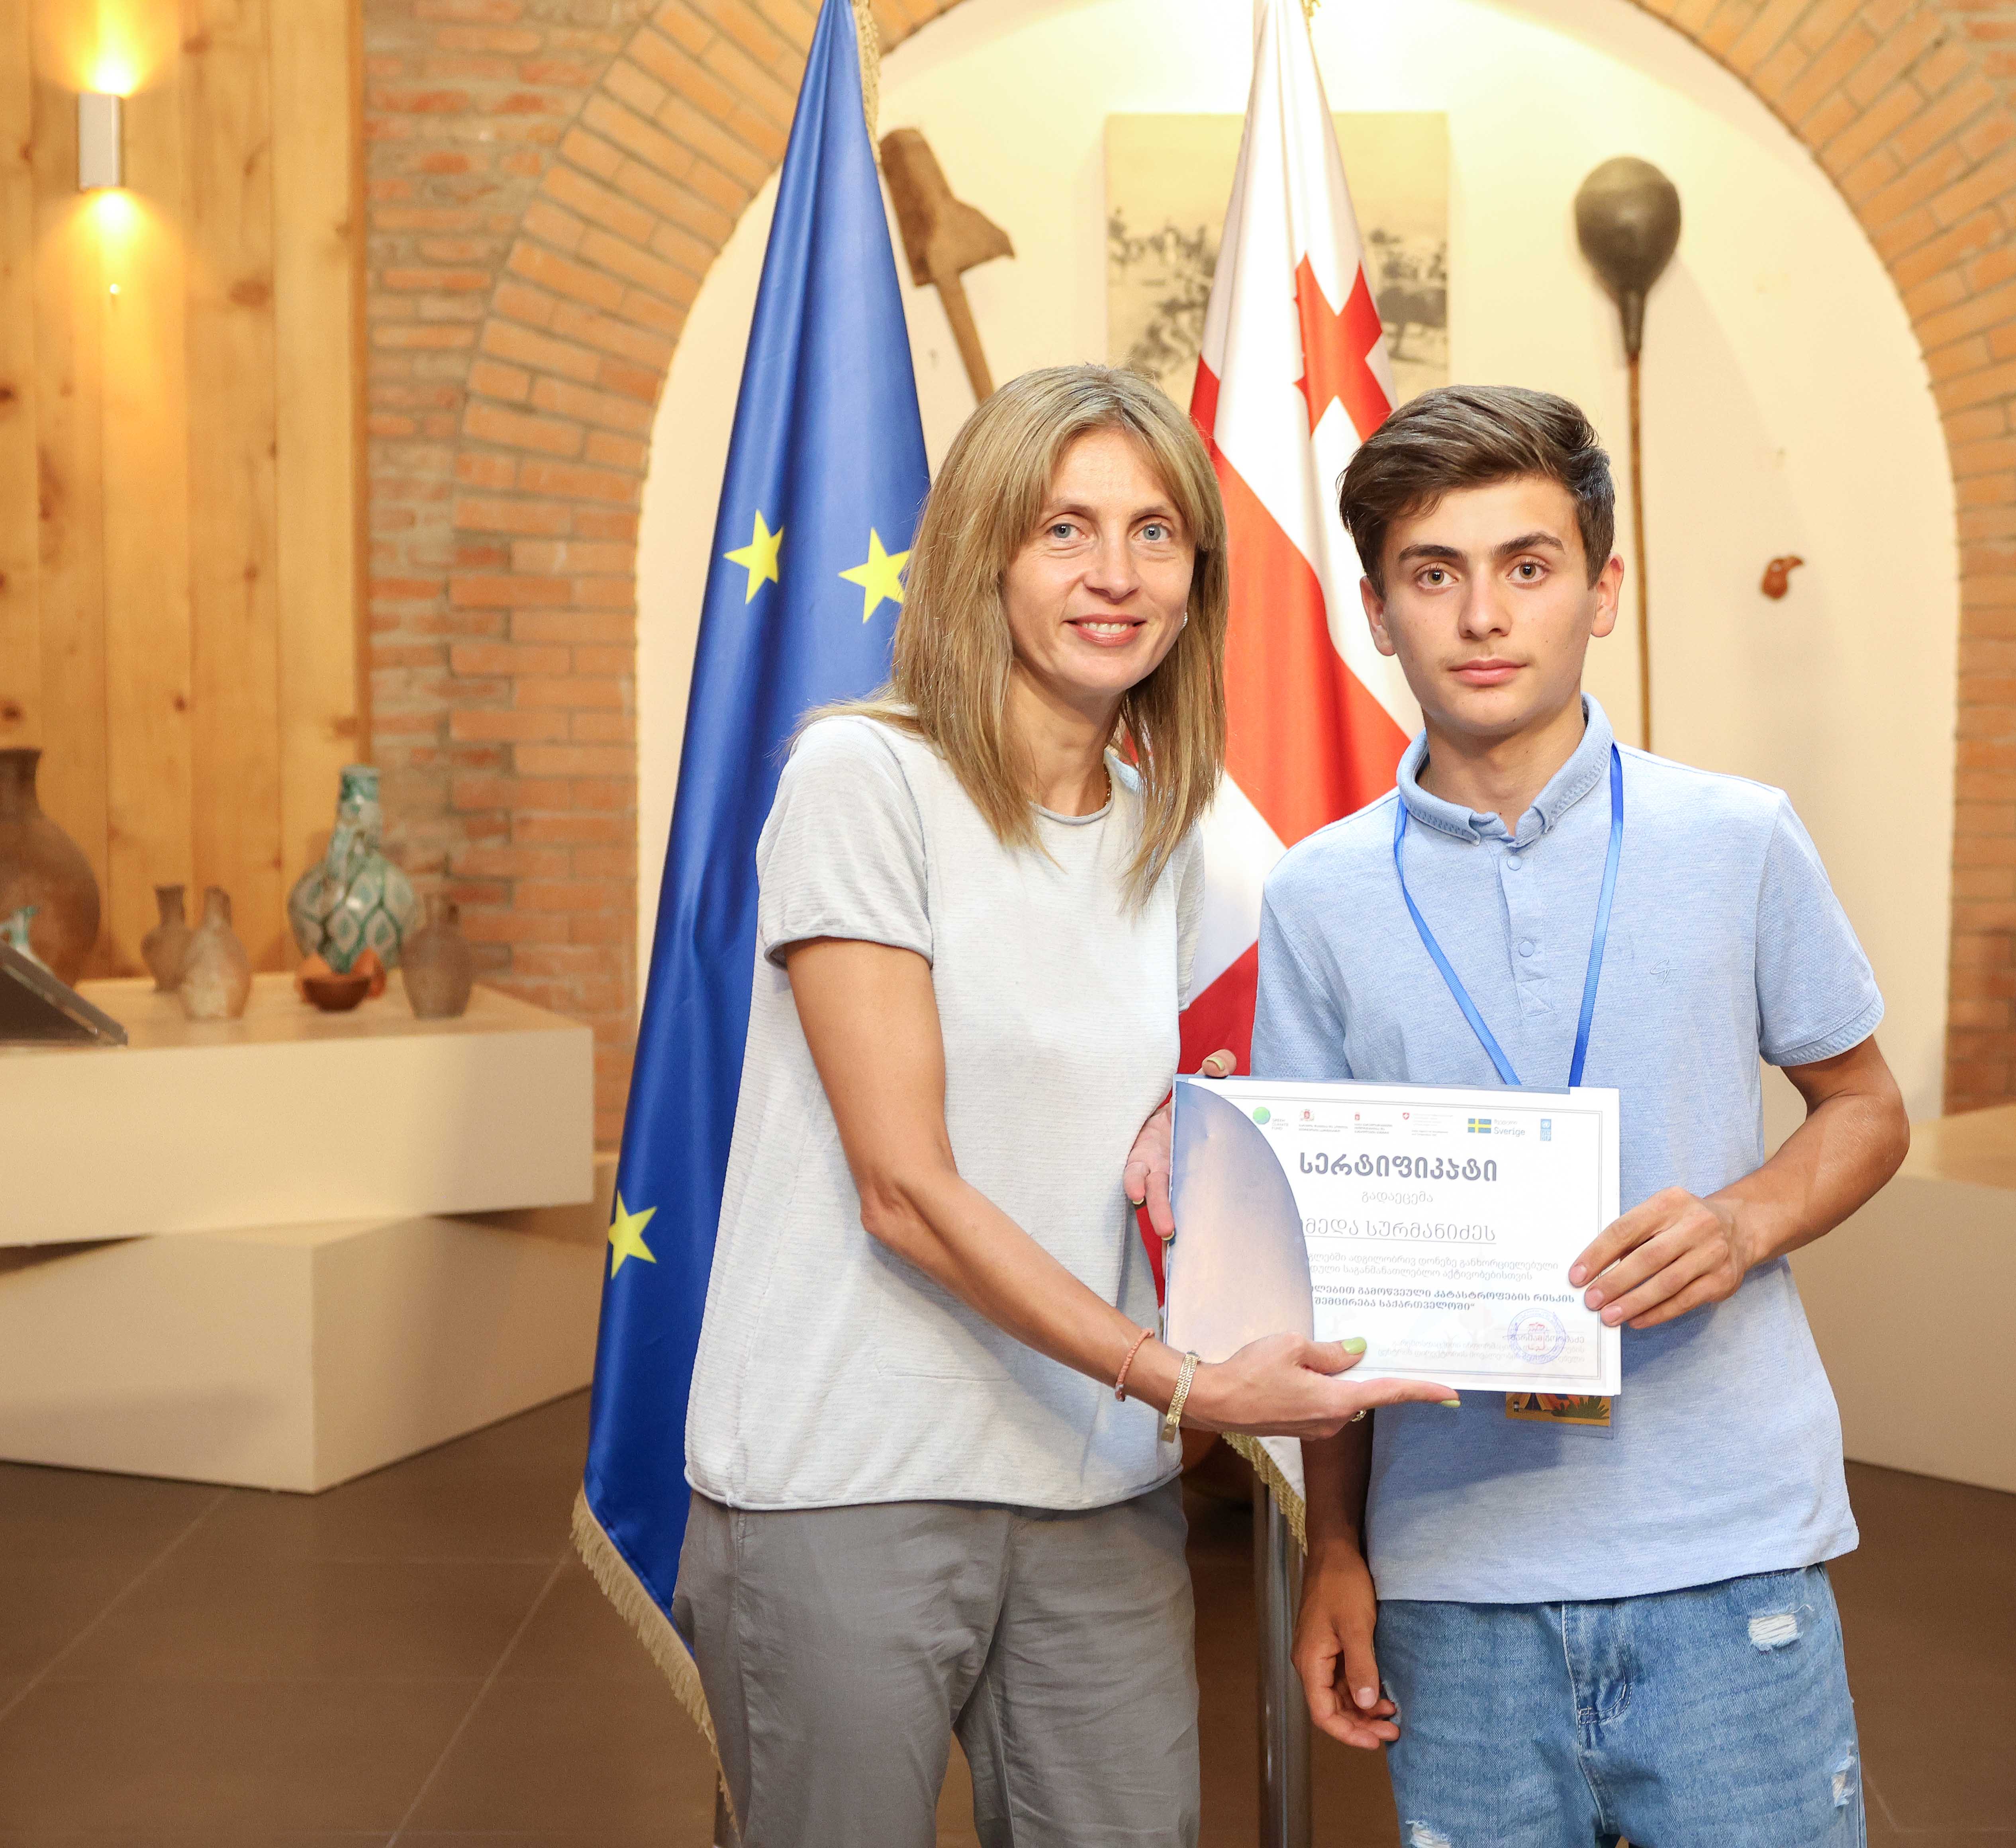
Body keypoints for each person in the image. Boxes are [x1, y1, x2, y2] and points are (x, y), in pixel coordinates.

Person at [670, 364, 1452, 1848]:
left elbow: (1173, 1104)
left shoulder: (1174, 837)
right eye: (1065, 529)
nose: (1116, 574)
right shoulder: (865, 778)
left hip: (1094, 1485)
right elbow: (905, 1190)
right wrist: (1183, 1383)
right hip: (852, 1477)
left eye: (1156, 532)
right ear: (987, 553)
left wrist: (1188, 1124)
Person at [1258, 384, 1912, 1845]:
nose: (1484, 614)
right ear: (1376, 613)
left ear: (1603, 591)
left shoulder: (1738, 837)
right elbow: (1319, 1271)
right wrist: (1336, 1547)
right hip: (1456, 1573)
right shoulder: (1316, 898)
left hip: (1726, 1552)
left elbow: (1866, 1108)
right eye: (1434, 573)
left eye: (1529, 565)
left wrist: (1742, 1222)